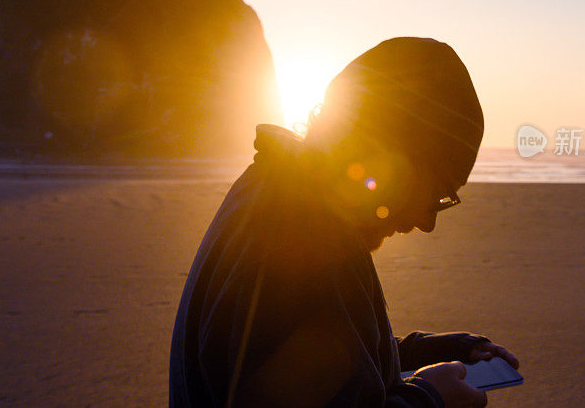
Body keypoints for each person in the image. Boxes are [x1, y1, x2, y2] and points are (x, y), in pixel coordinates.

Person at [169, 37, 519, 407]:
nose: (427, 222)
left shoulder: (274, 188)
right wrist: (431, 399)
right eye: (438, 193)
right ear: (392, 157)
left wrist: (441, 351)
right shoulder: (306, 234)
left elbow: (323, 359)